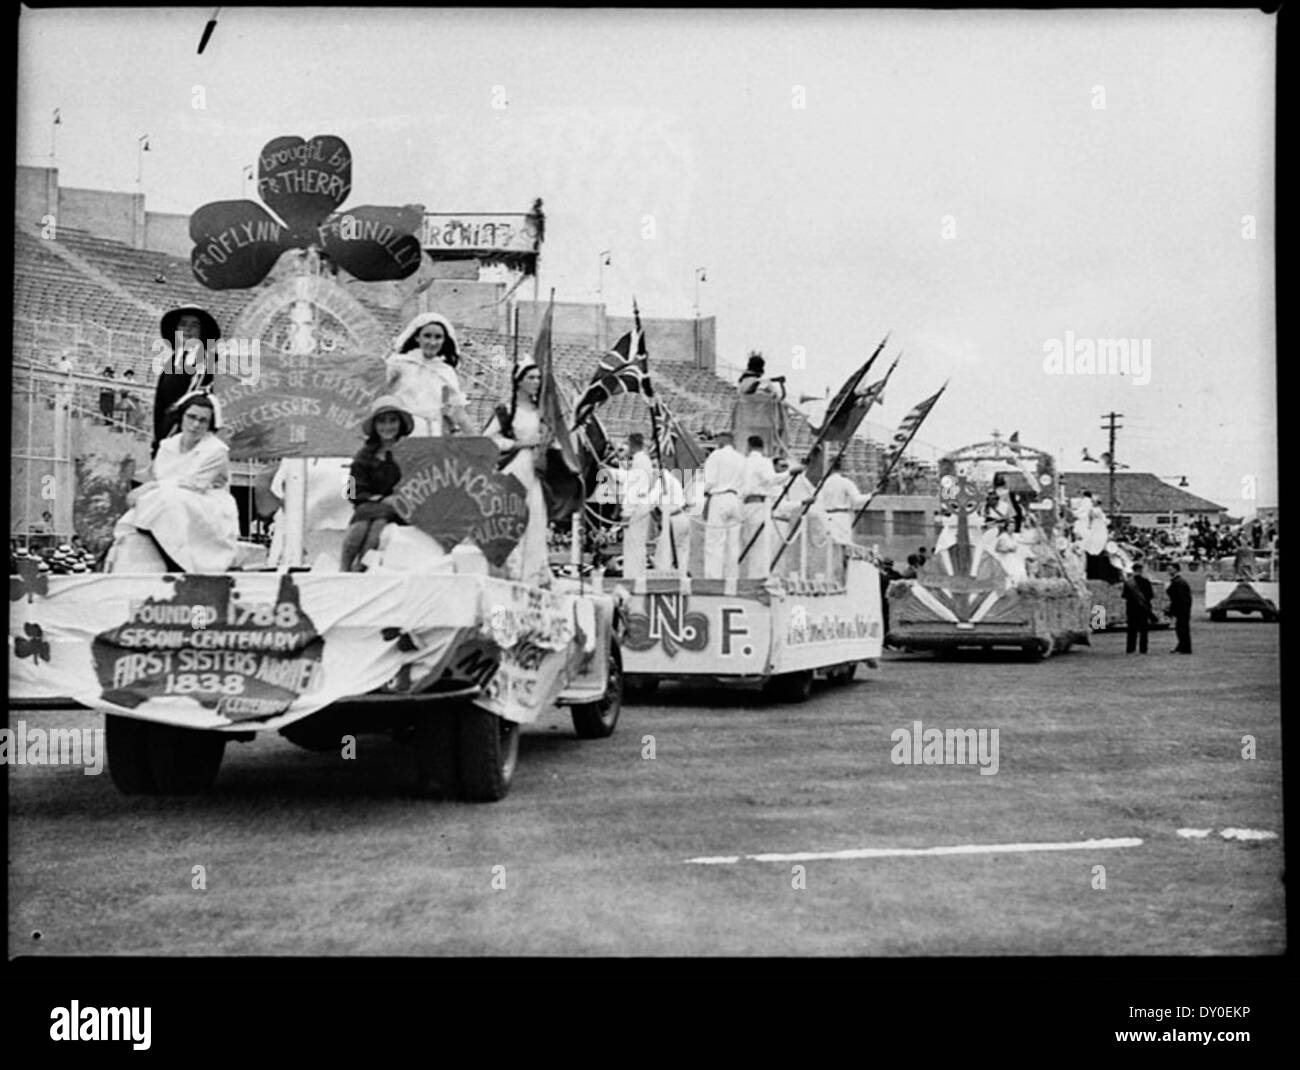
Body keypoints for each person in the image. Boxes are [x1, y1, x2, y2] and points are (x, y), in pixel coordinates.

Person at [108, 391, 239, 572]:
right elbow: (161, 476)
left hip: (207, 505)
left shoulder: (216, 450)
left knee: (167, 500)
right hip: (169, 497)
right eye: (191, 417)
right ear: (181, 417)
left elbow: (192, 484)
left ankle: (180, 563)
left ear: (210, 424)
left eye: (203, 421)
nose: (195, 425)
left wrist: (148, 487)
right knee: (153, 504)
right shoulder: (167, 445)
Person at [485, 363, 551, 586]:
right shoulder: (507, 410)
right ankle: (512, 572)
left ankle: (533, 575)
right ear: (519, 381)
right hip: (514, 467)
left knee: (535, 517)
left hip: (535, 469)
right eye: (531, 377)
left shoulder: (540, 411)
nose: (536, 382)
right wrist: (519, 443)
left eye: (538, 377)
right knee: (513, 517)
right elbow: (489, 440)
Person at [340, 396, 414, 572]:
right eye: (382, 421)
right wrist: (378, 499)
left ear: (400, 424)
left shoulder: (412, 452)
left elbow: (418, 483)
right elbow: (351, 491)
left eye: (392, 421)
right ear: (374, 426)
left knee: (378, 525)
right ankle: (345, 568)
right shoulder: (363, 455)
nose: (387, 426)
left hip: (401, 508)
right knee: (360, 527)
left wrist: (396, 499)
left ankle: (360, 567)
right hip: (369, 507)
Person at [385, 311, 477, 437]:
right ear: (417, 337)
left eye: (438, 337)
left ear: (444, 340)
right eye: (427, 336)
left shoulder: (446, 371)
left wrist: (479, 441)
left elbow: (459, 413)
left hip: (434, 438)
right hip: (402, 435)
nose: (432, 342)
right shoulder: (398, 363)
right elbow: (377, 393)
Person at [255, 456, 354, 569]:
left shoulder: (296, 458)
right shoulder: (295, 459)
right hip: (311, 539)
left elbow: (274, 495)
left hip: (310, 538)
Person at [154, 306, 220, 456]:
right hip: (167, 440)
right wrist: (158, 443)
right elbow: (160, 406)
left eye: (194, 325)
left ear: (202, 331)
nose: (187, 330)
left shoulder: (210, 361)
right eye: (183, 324)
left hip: (194, 443)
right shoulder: (172, 362)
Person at [701, 430, 745, 578]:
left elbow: (710, 481)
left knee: (714, 541)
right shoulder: (741, 458)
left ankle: (713, 577)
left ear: (722, 440)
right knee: (733, 543)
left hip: (719, 497)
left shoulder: (716, 455)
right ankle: (732, 577)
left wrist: (699, 492)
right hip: (736, 498)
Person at [739, 435, 783, 578]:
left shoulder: (743, 462)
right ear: (763, 448)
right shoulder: (763, 462)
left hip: (744, 504)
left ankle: (749, 575)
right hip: (759, 504)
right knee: (760, 543)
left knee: (747, 542)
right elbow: (770, 479)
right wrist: (789, 474)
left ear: (748, 446)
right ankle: (757, 576)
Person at [621, 432, 654, 580]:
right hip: (643, 503)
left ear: (632, 445)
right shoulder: (643, 460)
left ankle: (632, 577)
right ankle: (637, 576)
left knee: (633, 545)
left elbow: (634, 488)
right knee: (638, 544)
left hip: (636, 506)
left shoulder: (640, 461)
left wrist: (627, 513)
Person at [818, 457, 870, 544]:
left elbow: (818, 502)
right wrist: (871, 495)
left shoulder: (822, 483)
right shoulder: (845, 482)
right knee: (844, 545)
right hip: (841, 518)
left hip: (826, 517)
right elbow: (857, 500)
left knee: (829, 546)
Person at [653, 466, 691, 573]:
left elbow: (651, 501)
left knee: (663, 560)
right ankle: (683, 580)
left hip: (673, 519)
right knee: (681, 555)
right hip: (680, 516)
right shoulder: (671, 479)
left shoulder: (662, 479)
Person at [1123, 561, 1155, 654]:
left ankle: (1130, 648)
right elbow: (1150, 595)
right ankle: (1143, 649)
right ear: (1141, 570)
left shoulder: (1128, 582)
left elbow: (1125, 596)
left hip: (1131, 609)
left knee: (1131, 630)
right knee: (1143, 631)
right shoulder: (1146, 581)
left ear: (1133, 570)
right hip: (1143, 609)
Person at [1165, 562, 1193, 654]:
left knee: (1182, 629)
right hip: (1181, 608)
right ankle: (1181, 646)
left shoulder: (1179, 582)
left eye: (1171, 569)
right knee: (1180, 628)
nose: (1169, 571)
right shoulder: (1177, 581)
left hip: (1182, 609)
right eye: (1168, 569)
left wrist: (1172, 609)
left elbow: (1179, 598)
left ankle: (1185, 648)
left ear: (1176, 570)